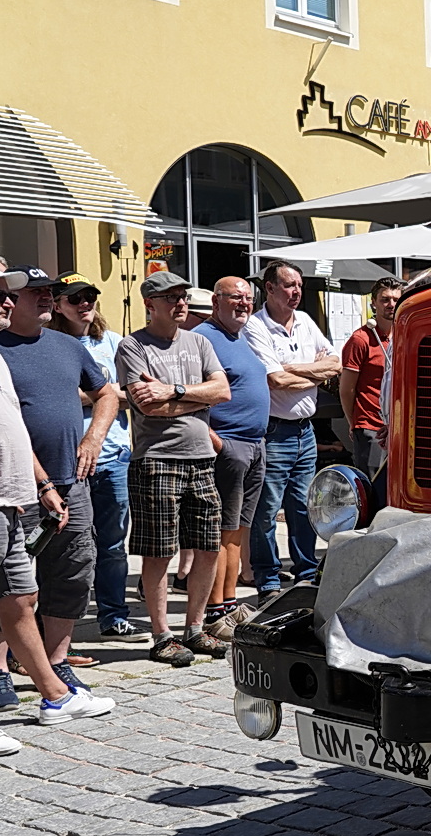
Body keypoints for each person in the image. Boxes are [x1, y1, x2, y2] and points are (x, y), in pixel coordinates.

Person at [0, 262, 115, 754]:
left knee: (28, 596)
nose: (10, 301)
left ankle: (54, 690)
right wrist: (37, 482)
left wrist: (83, 446)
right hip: (0, 500)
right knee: (0, 598)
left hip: (28, 493)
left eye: (12, 294)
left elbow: (13, 424)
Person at [116, 271, 232, 665]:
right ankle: (162, 634)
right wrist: (199, 399)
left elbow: (223, 391)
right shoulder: (133, 346)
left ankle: (195, 629)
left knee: (208, 546)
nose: (180, 303)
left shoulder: (199, 341)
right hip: (157, 459)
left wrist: (174, 390)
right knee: (159, 551)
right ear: (150, 305)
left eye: (182, 296)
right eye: (170, 298)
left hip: (201, 457)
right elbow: (147, 406)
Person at [49, 274, 137, 640]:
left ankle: (113, 615)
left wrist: (95, 394)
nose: (85, 303)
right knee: (69, 546)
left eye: (90, 295)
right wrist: (104, 393)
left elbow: (134, 393)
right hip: (68, 461)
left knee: (113, 546)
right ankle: (59, 624)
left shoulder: (113, 342)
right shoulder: (51, 344)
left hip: (113, 456)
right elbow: (53, 397)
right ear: (57, 305)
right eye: (75, 298)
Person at [244, 260, 338, 600]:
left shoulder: (306, 322)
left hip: (305, 432)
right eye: (289, 285)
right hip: (274, 432)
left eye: (299, 285)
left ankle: (306, 573)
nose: (296, 291)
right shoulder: (256, 326)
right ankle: (268, 580)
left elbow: (336, 363)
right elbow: (275, 380)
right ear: (269, 288)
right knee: (266, 511)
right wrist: (315, 373)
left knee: (303, 508)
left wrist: (295, 368)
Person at [195, 276, 269, 641]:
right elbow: (193, 398)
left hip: (254, 445)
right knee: (222, 531)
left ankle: (229, 603)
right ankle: (213, 612)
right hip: (229, 446)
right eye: (235, 297)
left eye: (248, 298)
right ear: (215, 301)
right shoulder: (203, 338)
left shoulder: (240, 337)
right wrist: (217, 442)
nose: (244, 304)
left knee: (238, 530)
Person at [339, 277, 401, 474]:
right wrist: (354, 423)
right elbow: (346, 389)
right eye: (385, 299)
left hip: (399, 428)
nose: (391, 304)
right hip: (371, 428)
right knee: (374, 484)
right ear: (373, 302)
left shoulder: (404, 336)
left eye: (396, 299)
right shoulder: (361, 339)